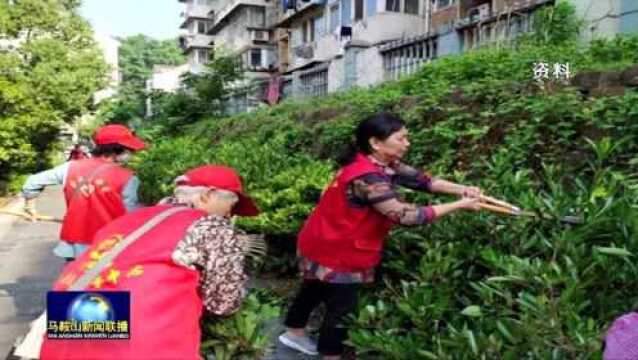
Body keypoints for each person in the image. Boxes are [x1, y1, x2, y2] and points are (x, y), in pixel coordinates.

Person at [278, 113, 482, 359]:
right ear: (376, 142)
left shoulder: (381, 164)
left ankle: (294, 332)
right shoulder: (368, 178)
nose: (407, 143)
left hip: (323, 237)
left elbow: (424, 182)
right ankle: (330, 355)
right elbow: (405, 216)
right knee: (342, 308)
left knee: (315, 286)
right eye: (401, 138)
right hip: (338, 248)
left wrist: (462, 189)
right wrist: (459, 205)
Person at [39, 165, 261, 360]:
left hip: (73, 318)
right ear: (208, 195)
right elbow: (223, 303)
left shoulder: (131, 219)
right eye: (231, 207)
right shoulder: (212, 226)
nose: (230, 216)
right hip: (142, 336)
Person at [21, 124, 146, 261]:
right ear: (117, 149)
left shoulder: (70, 168)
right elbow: (131, 217)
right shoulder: (128, 178)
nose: (132, 154)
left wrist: (30, 207)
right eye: (129, 150)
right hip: (108, 246)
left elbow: (33, 181)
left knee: (74, 281)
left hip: (74, 244)